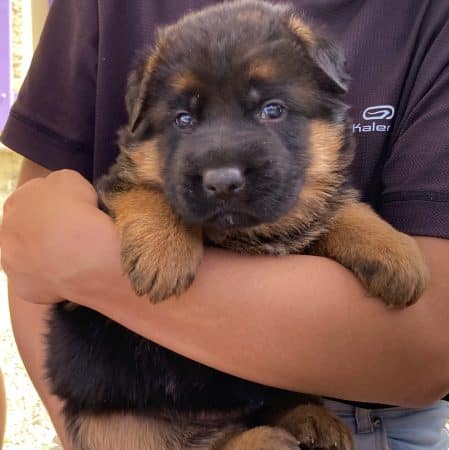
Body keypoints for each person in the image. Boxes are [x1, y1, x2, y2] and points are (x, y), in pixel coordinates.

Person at [1, 1, 449, 449]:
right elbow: (61, 219)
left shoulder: (425, 17)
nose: (221, 168)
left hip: (347, 402)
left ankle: (280, 414)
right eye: (185, 118)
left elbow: (430, 339)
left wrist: (96, 266)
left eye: (271, 110)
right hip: (128, 404)